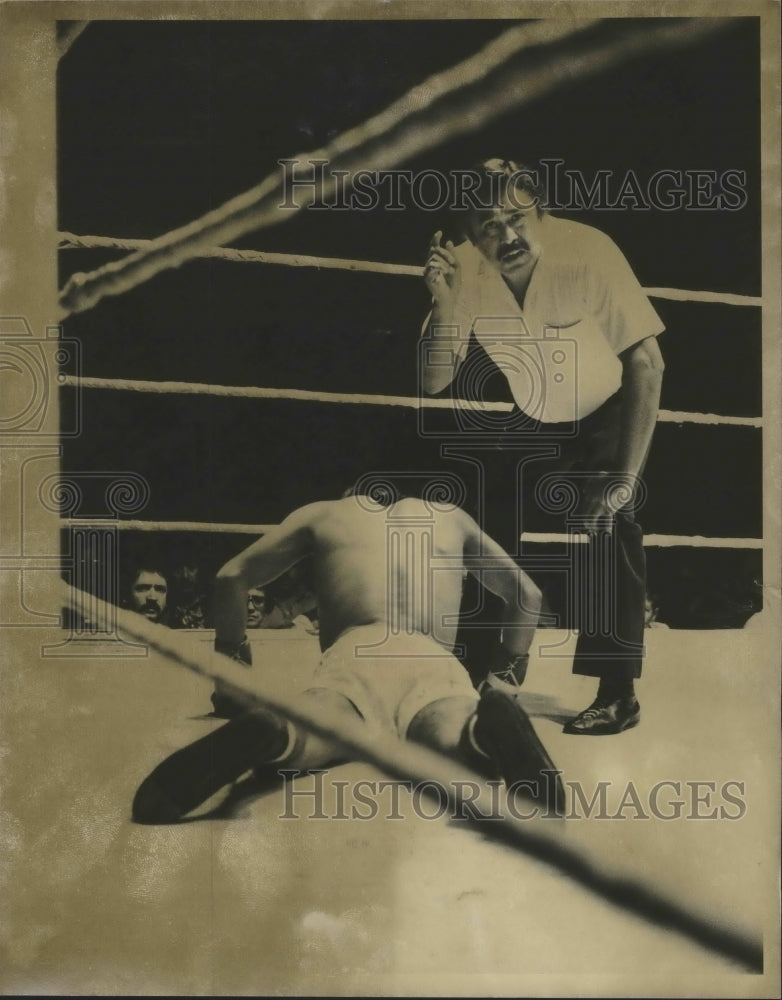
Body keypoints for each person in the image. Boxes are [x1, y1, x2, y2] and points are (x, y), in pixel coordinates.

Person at [132, 489, 565, 823]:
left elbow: (231, 576)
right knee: (452, 735)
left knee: (315, 726)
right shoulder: (451, 517)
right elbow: (526, 595)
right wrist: (502, 682)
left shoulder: (325, 515)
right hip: (431, 656)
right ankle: (484, 729)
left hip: (354, 652)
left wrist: (231, 681)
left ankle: (275, 729)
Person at [421, 158, 665, 735]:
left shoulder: (589, 252)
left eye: (517, 218)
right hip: (532, 411)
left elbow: (647, 363)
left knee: (609, 520)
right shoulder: (465, 270)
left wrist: (623, 479)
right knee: (483, 518)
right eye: (488, 225)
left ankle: (618, 693)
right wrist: (443, 303)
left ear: (542, 212)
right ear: (469, 235)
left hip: (606, 405)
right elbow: (434, 379)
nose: (507, 235)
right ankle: (487, 665)